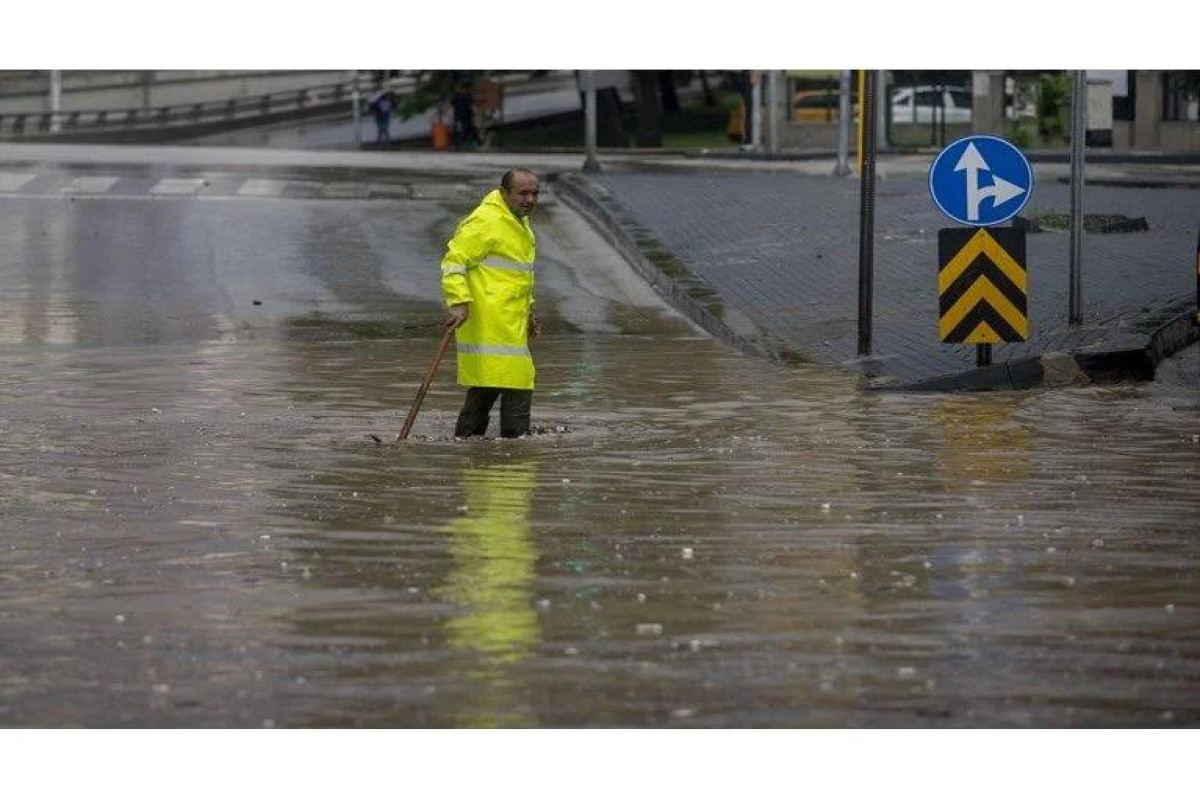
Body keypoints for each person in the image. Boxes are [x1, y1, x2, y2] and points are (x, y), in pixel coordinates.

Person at [440, 169, 542, 438]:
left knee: (485, 387)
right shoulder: (486, 221)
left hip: (508, 324)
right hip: (490, 324)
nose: (530, 199)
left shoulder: (517, 222)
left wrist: (530, 313)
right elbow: (454, 262)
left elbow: (518, 277)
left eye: (535, 193)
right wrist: (458, 302)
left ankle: (469, 447)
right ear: (504, 193)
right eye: (523, 193)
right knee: (516, 384)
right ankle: (515, 455)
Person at [451, 82, 482, 148]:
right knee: (465, 130)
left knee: (470, 129)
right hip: (459, 117)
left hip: (466, 117)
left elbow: (472, 105)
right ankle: (459, 144)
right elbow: (452, 106)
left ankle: (478, 142)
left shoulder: (467, 96)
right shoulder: (456, 97)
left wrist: (476, 112)